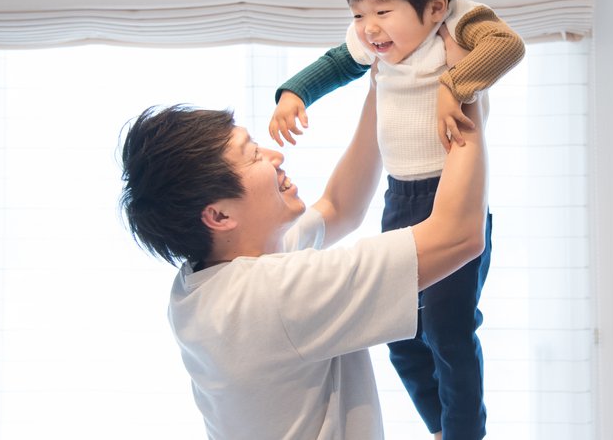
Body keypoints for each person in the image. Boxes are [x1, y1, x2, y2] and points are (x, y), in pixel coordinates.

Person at [118, 74, 489, 439]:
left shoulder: (200, 284)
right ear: (219, 215)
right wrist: (465, 91)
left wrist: (382, 84)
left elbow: (339, 207)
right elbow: (459, 235)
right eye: (253, 156)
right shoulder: (274, 295)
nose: (275, 155)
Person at [266, 0, 525, 440]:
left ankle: (464, 433)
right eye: (359, 13)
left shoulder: (459, 21)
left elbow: (508, 46)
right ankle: (440, 426)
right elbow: (338, 63)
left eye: (383, 12)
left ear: (433, 7)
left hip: (450, 192)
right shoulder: (375, 49)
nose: (369, 28)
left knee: (449, 331)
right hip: (400, 197)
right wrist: (294, 93)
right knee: (402, 335)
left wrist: (456, 82)